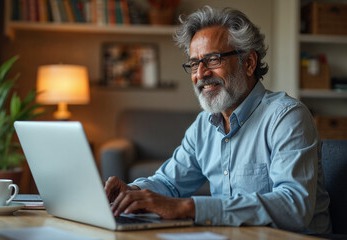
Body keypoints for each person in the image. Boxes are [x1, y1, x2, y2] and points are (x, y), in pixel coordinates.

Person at [105, 6, 331, 234]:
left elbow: (294, 206)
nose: (200, 74)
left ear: (249, 63)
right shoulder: (204, 125)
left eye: (212, 60)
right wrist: (132, 192)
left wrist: (189, 207)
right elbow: (169, 183)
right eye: (194, 64)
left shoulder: (286, 117)